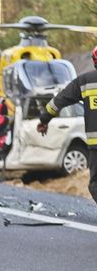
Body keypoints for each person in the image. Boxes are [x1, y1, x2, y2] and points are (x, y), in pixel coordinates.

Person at [37, 45, 97, 202]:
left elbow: (58, 101)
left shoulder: (84, 81)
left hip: (96, 145)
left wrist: (44, 120)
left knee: (95, 184)